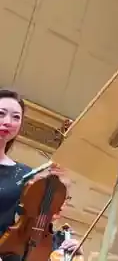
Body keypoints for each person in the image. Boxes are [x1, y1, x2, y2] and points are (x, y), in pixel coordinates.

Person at [0, 89, 72, 258]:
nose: (8, 122)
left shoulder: (25, 174)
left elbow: (31, 228)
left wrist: (62, 246)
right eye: (1, 113)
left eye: (16, 117)